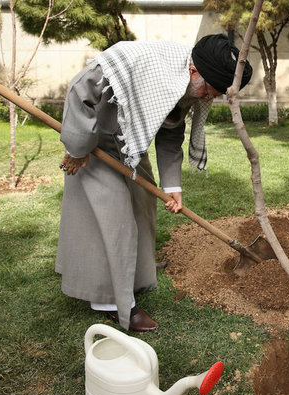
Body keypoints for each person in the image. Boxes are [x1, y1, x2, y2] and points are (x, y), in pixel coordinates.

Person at [55, 34, 253, 332]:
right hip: (96, 141)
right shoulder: (141, 61)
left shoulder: (189, 83)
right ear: (193, 72)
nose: (209, 98)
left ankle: (136, 273)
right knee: (114, 216)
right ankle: (113, 302)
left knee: (142, 203)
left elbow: (170, 131)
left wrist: (173, 187)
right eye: (210, 91)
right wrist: (77, 148)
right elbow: (80, 88)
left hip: (129, 143)